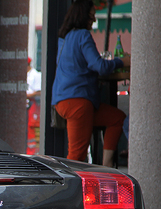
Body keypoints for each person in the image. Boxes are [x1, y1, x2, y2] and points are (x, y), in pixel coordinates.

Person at [51, 0, 130, 167]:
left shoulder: (64, 38)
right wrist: (122, 61)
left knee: (117, 118)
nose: (94, 20)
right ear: (83, 16)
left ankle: (106, 167)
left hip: (63, 101)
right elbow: (99, 66)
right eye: (92, 16)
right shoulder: (82, 35)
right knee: (76, 157)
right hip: (78, 102)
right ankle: (70, 190)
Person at [26, 57, 42, 155]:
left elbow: (39, 92)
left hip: (33, 105)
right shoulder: (26, 75)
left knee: (32, 127)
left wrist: (28, 95)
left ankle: (33, 151)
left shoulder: (36, 75)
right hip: (26, 106)